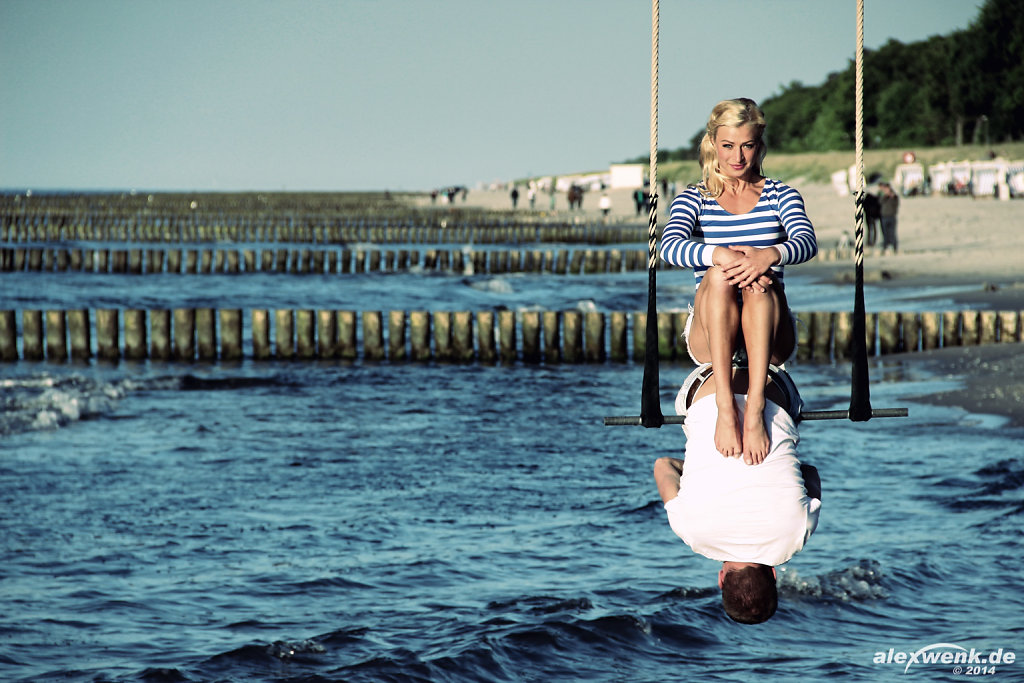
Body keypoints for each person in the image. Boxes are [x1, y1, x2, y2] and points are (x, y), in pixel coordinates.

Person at [660, 98, 817, 464]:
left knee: (758, 280)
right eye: (728, 145)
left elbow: (806, 241)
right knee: (718, 276)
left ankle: (756, 408)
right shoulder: (694, 197)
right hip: (713, 330)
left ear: (759, 146)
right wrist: (718, 254)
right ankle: (725, 407)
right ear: (713, 143)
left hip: (770, 326)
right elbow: (669, 246)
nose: (737, 157)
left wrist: (768, 255)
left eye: (747, 146)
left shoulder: (781, 194)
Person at [653, 363, 821, 624]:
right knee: (707, 340)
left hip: (772, 386)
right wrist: (705, 473)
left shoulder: (795, 539)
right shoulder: (692, 535)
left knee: (774, 346)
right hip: (703, 389)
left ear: (774, 576)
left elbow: (810, 472)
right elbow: (663, 465)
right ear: (721, 580)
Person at [878, 182, 899, 253]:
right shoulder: (883, 196)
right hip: (884, 216)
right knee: (885, 233)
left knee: (892, 233)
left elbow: (896, 204)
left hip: (891, 216)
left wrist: (892, 197)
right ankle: (885, 246)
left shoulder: (894, 196)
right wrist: (885, 196)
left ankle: (894, 247)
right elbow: (880, 202)